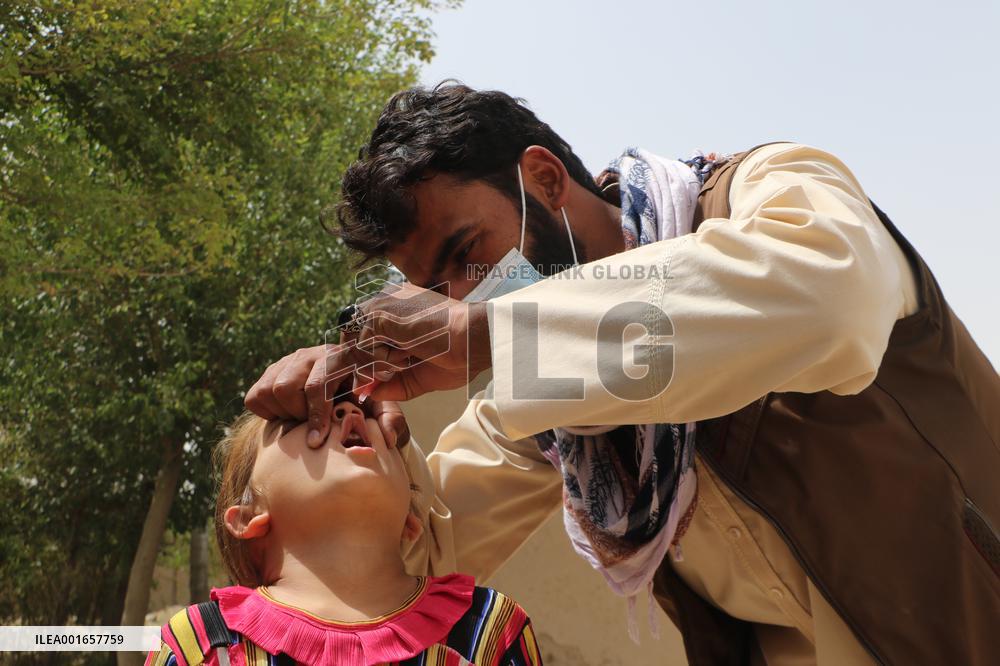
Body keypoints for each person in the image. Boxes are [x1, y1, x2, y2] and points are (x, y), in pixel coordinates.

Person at [245, 83, 1000, 665]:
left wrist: (493, 331)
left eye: (467, 250)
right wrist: (343, 426)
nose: (463, 293)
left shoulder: (761, 193)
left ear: (543, 178)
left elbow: (832, 302)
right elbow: (405, 548)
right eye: (436, 286)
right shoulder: (540, 388)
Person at [144, 392, 543, 666]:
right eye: (298, 421)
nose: (348, 413)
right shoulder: (200, 645)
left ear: (412, 518)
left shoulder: (488, 629)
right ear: (248, 515)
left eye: (370, 416)